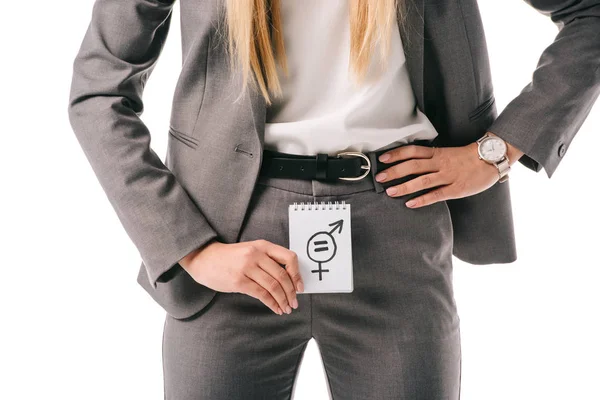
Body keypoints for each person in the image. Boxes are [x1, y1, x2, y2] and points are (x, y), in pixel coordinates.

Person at [67, 0, 600, 398]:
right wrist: (192, 249)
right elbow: (99, 88)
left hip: (398, 227)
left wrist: (493, 154)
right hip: (230, 243)